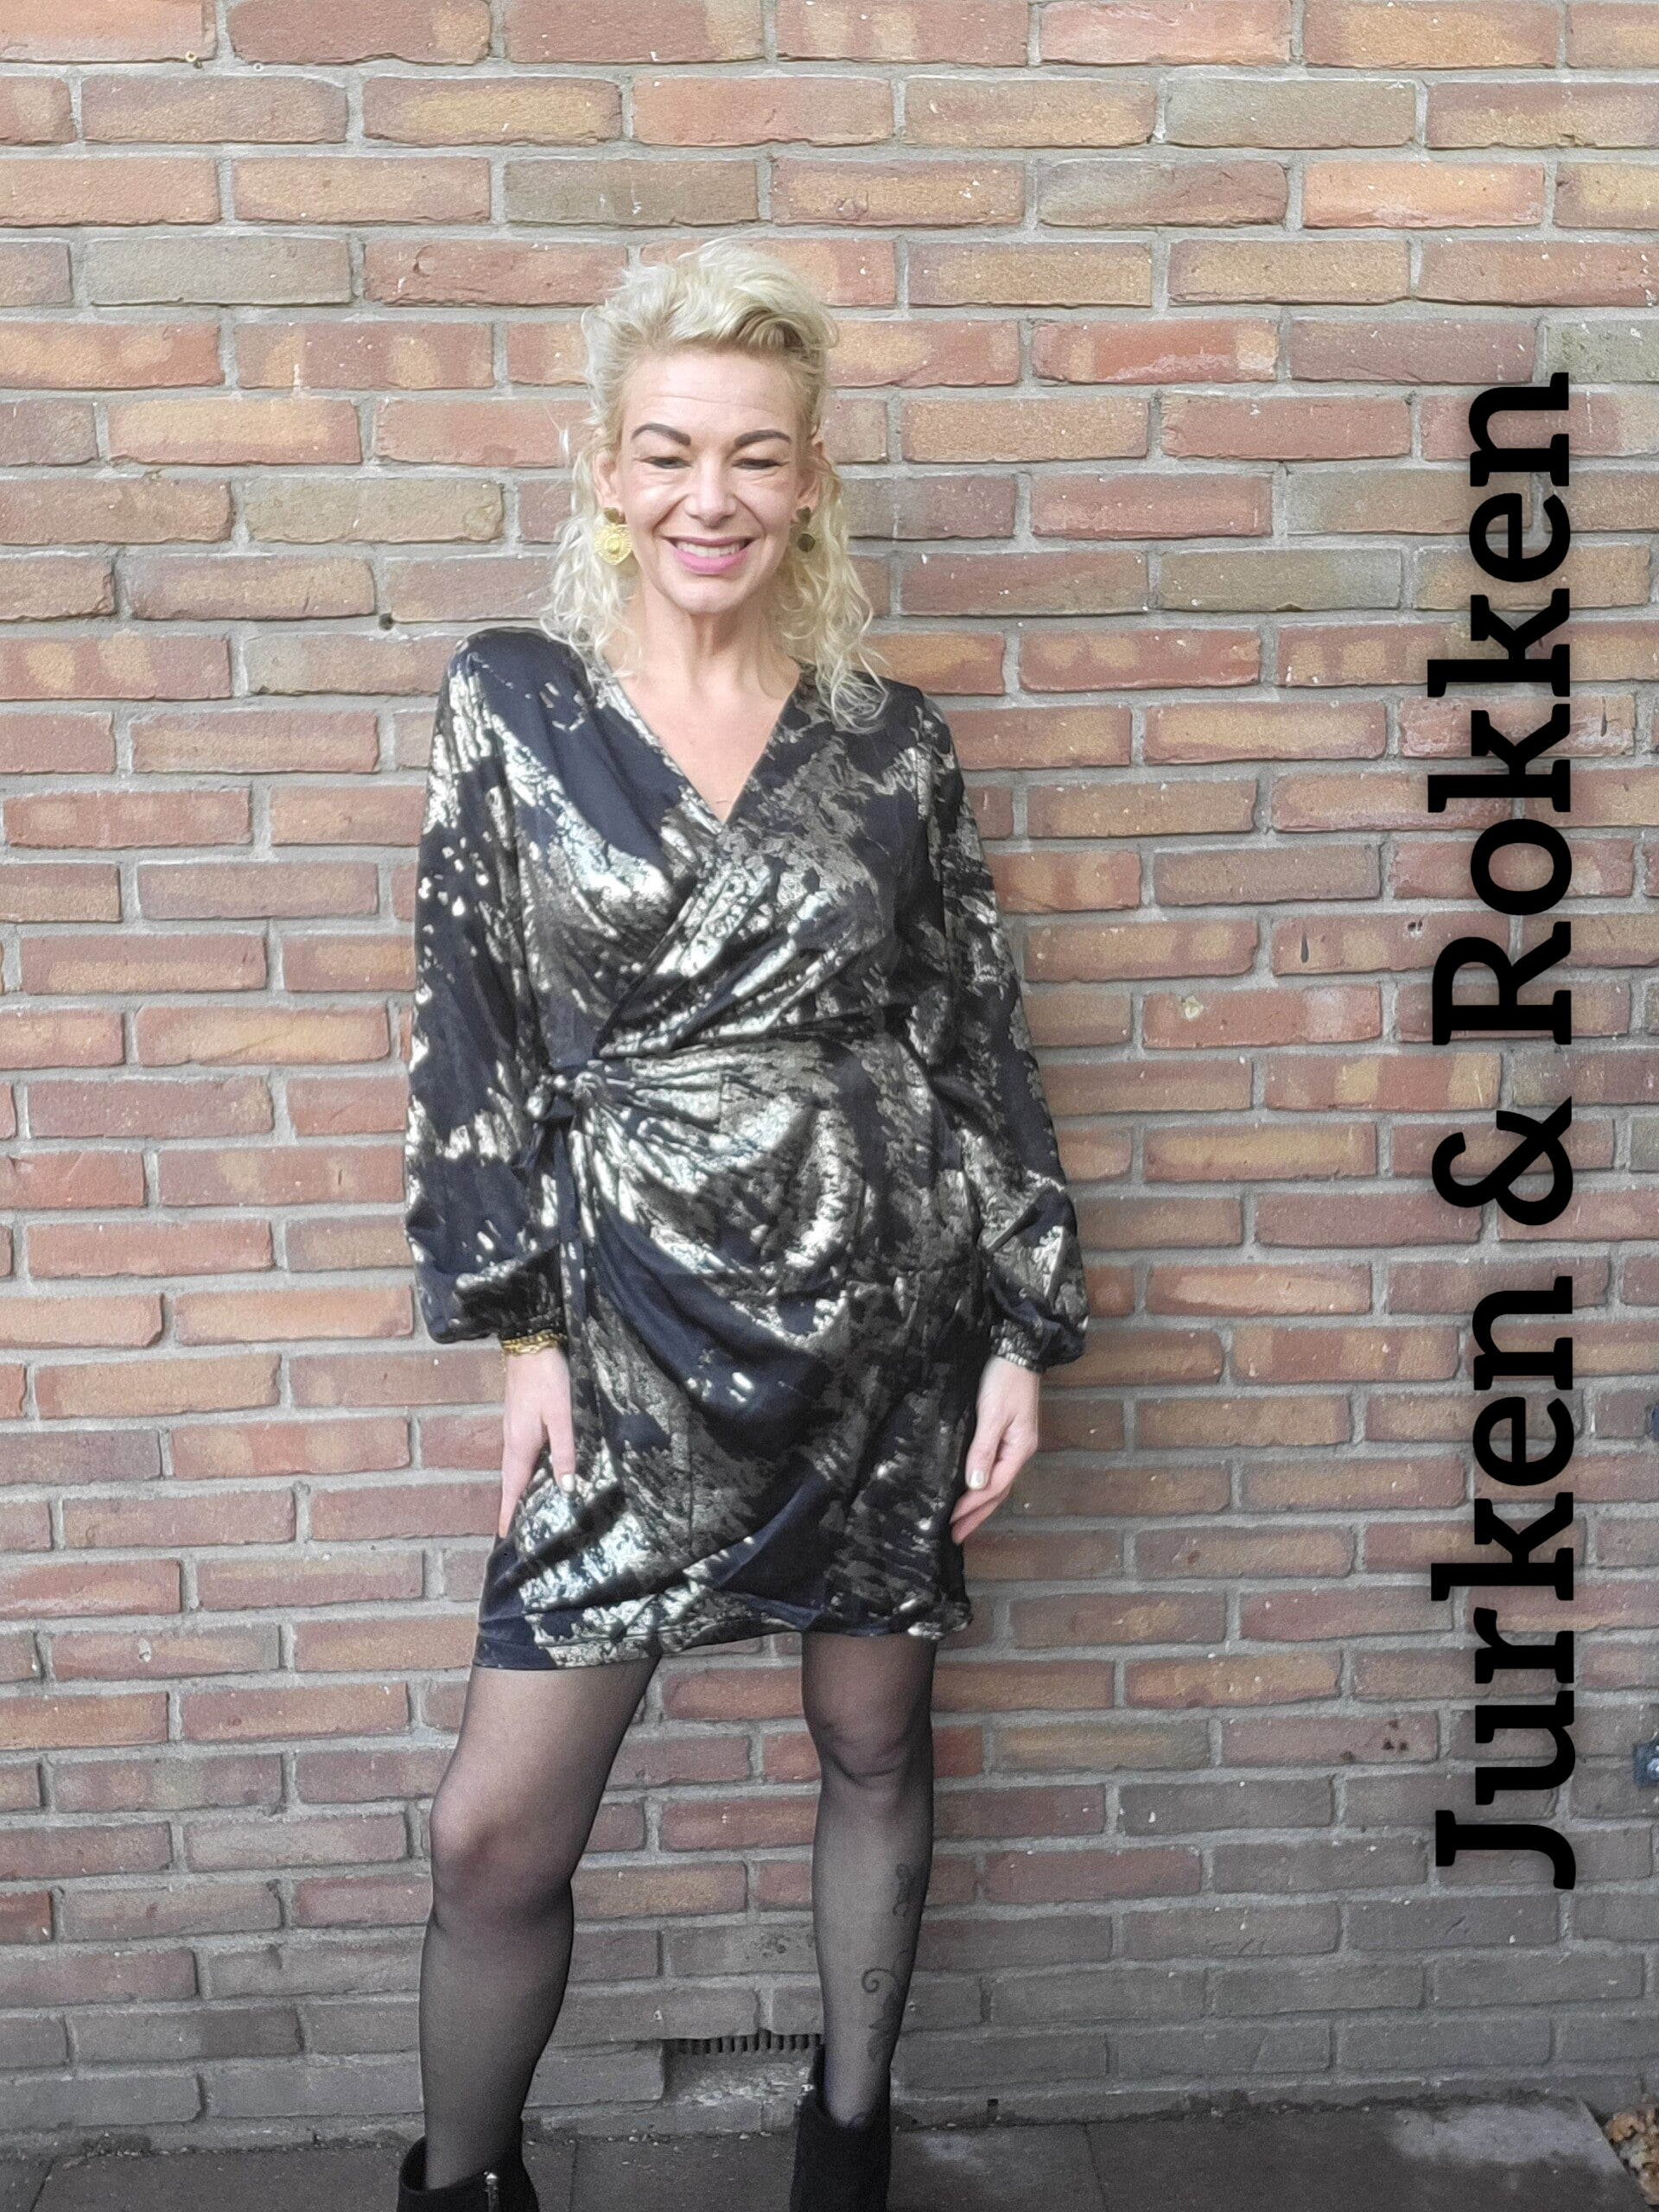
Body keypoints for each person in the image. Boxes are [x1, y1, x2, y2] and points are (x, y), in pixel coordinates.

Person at [397, 238, 1090, 2212]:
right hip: (625, 1325)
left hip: (883, 1316)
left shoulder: (889, 742)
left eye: (756, 455)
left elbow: (970, 1032)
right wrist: (524, 1325)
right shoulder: (515, 703)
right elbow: (469, 1025)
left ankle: (844, 2144)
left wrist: (1020, 1323)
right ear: (606, 471)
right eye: (670, 450)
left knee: (873, 1744)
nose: (712, 495)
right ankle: (462, 2182)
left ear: (810, 484)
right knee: (493, 1838)